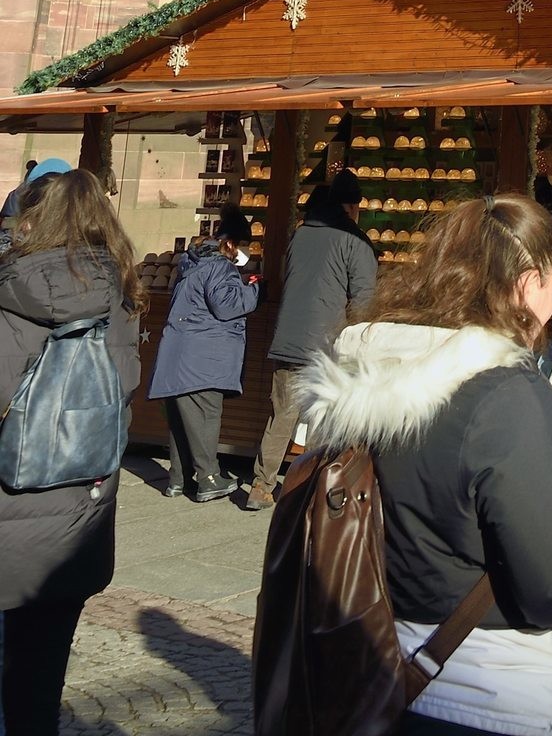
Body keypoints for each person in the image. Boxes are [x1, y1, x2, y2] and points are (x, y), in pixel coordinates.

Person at [296, 193, 552, 735]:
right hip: (494, 690)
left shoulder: (365, 370)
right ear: (527, 283)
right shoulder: (503, 394)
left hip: (382, 668)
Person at [0, 168, 142, 736]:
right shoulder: (123, 298)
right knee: (39, 688)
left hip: (7, 515)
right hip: (79, 519)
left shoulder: (12, 293)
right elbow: (124, 391)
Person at [245, 166, 375, 511]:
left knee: (282, 416)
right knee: (320, 419)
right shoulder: (356, 241)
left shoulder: (300, 235)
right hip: (325, 344)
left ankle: (261, 485)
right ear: (353, 207)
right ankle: (307, 488)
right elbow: (365, 300)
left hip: (288, 338)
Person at [148, 204, 260, 502]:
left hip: (178, 354)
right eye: (244, 247)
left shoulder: (192, 262)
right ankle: (210, 478)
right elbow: (227, 306)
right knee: (207, 415)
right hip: (204, 357)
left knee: (182, 420)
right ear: (232, 243)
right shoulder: (221, 266)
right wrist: (253, 290)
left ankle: (177, 479)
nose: (245, 254)